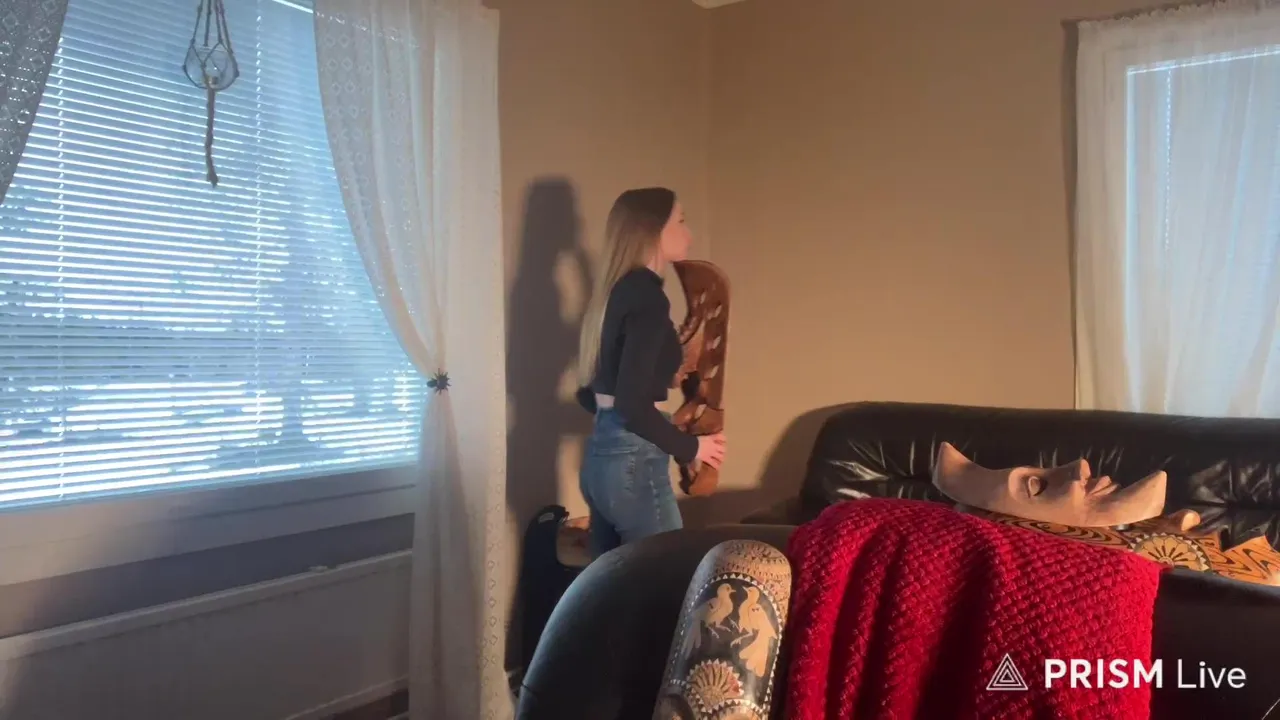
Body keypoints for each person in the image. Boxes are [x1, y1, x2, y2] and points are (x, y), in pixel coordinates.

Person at [574, 187, 728, 558]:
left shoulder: (616, 293)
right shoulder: (647, 297)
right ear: (653, 230)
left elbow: (594, 394)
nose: (688, 233)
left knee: (610, 587)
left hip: (600, 460)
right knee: (664, 577)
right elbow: (632, 405)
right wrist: (693, 447)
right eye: (681, 221)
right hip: (632, 464)